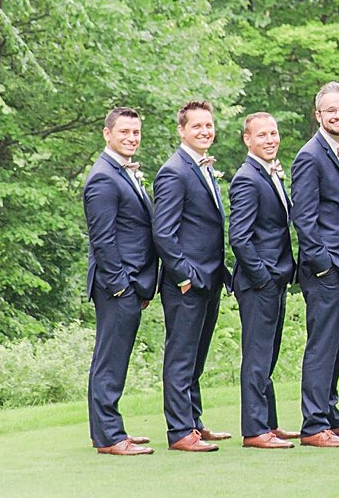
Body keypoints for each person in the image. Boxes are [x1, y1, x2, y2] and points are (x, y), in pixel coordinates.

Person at [290, 82, 339, 447]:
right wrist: (323, 265)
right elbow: (304, 219)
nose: (338, 115)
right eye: (331, 111)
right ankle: (313, 425)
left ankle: (331, 415)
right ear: (318, 115)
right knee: (322, 345)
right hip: (325, 269)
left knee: (337, 344)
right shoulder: (310, 156)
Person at [152, 100, 231, 452]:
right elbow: (164, 233)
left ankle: (194, 422)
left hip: (210, 278)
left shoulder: (202, 167)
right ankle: (180, 431)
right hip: (187, 281)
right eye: (197, 126)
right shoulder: (174, 170)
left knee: (197, 356)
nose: (205, 131)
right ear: (182, 130)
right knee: (181, 356)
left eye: (209, 125)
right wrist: (184, 275)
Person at [83, 108, 158, 455]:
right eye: (125, 132)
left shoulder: (124, 173)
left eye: (136, 132)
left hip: (132, 283)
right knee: (109, 360)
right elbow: (103, 239)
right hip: (117, 284)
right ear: (107, 134)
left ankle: (109, 430)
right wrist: (121, 286)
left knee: (115, 358)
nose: (131, 138)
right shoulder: (103, 177)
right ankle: (110, 437)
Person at [227, 111, 298, 448]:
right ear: (248, 139)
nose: (271, 140)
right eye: (263, 135)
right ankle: (255, 430)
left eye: (274, 133)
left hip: (275, 278)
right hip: (259, 283)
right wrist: (264, 278)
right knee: (256, 357)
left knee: (268, 355)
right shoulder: (246, 178)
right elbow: (239, 237)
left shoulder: (269, 174)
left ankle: (269, 423)